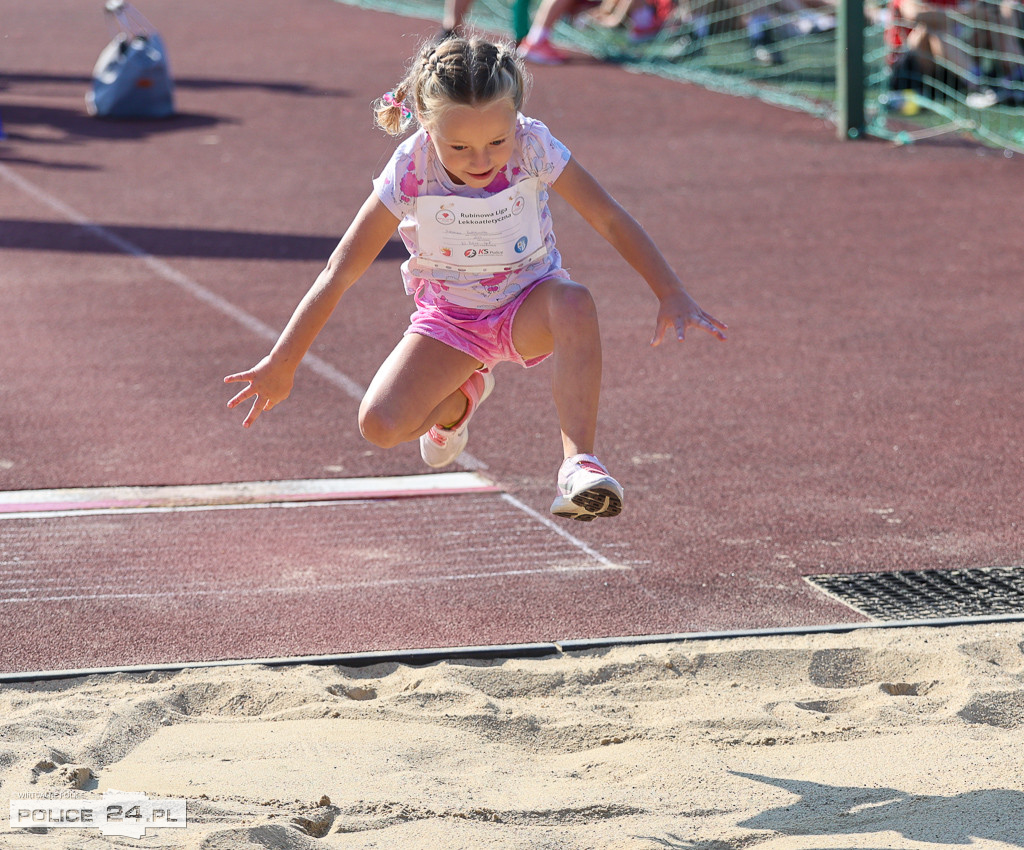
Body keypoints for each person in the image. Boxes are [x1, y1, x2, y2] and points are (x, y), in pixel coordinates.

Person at [224, 36, 726, 522]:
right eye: (459, 146)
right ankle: (459, 402)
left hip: (530, 302)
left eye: (496, 141)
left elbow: (609, 218)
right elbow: (341, 270)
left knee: (575, 300)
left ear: (517, 119)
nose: (482, 161)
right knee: (380, 425)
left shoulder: (534, 146)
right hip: (452, 322)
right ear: (424, 122)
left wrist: (669, 290)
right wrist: (282, 363)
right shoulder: (410, 170)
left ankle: (579, 463)